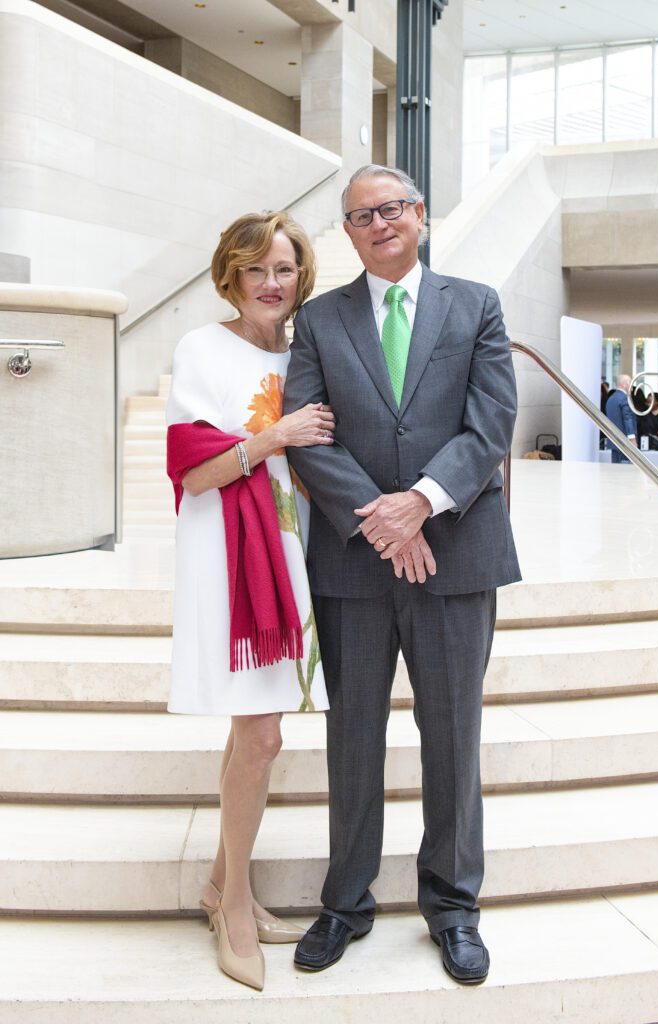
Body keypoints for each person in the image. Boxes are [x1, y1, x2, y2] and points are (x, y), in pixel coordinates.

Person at [283, 164, 521, 985]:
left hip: (456, 555)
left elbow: (489, 422)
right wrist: (380, 523)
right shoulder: (317, 320)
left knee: (451, 735)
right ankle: (345, 901)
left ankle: (453, 906)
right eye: (360, 215)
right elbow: (309, 433)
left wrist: (417, 503)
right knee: (352, 738)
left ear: (419, 214)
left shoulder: (476, 304)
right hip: (353, 562)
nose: (379, 223)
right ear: (345, 232)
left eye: (392, 208)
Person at [165, 212, 333, 991]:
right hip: (230, 555)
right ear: (229, 273)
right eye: (256, 269)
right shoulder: (203, 348)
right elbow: (194, 471)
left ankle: (216, 884)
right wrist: (275, 437)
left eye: (285, 269)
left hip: (292, 550)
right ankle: (233, 904)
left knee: (254, 728)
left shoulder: (307, 352)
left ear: (303, 277)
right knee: (261, 733)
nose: (271, 283)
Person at [604, 374, 637, 463]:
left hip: (614, 441)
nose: (631, 385)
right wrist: (632, 438)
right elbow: (628, 419)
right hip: (625, 442)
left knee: (616, 471)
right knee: (626, 472)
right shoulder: (624, 399)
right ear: (624, 384)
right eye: (630, 382)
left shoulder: (611, 399)